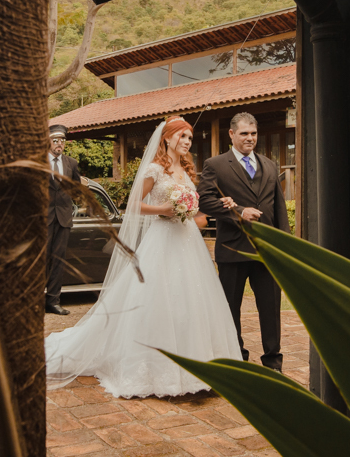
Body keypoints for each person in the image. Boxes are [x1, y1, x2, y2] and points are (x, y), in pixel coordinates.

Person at [45, 117, 242, 398]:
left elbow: (196, 214)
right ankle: (157, 368)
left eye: (189, 138)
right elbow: (133, 205)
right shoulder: (154, 169)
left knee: (192, 302)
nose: (187, 142)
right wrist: (162, 209)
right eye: (182, 136)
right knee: (159, 301)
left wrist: (205, 211)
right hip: (162, 242)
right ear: (167, 138)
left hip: (188, 244)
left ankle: (197, 367)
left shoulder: (186, 170)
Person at [198, 112, 289, 371]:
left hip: (266, 251)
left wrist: (283, 245)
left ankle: (273, 361)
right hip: (232, 249)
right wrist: (238, 212)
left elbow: (279, 208)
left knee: (271, 309)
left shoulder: (270, 165)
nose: (250, 138)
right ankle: (237, 355)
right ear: (231, 134)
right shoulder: (215, 164)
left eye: (253, 133)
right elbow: (204, 200)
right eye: (244, 134)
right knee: (230, 308)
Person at [46, 124, 81, 316]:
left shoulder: (71, 163)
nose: (60, 144)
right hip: (42, 218)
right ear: (49, 141)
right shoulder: (38, 161)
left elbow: (77, 190)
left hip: (64, 218)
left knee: (58, 260)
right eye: (56, 140)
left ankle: (53, 301)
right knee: (40, 260)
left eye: (63, 141)